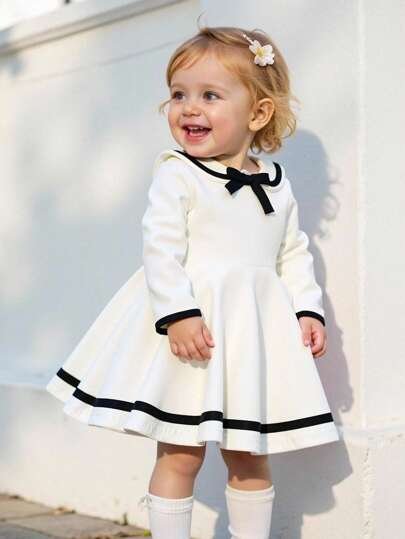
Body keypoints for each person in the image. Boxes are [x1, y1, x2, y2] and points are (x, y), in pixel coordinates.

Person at [46, 23, 340, 539]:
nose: (188, 108)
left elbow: (292, 252)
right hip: (193, 332)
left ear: (258, 114)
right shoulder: (177, 173)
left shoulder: (276, 184)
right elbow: (160, 249)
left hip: (250, 336)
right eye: (178, 94)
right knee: (180, 452)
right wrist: (178, 314)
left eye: (209, 95)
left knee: (249, 453)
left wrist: (307, 309)